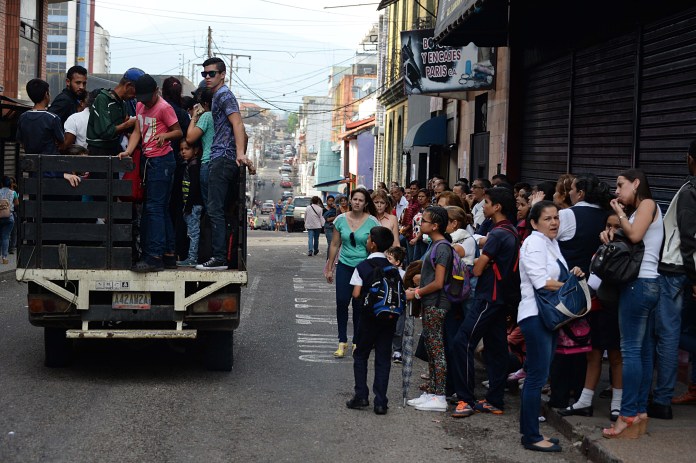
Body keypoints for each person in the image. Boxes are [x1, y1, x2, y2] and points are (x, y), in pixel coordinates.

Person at [518, 200, 584, 452]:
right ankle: (531, 436)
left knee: (538, 375)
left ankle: (530, 432)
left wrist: (572, 274)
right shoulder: (534, 242)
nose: (554, 222)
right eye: (547, 218)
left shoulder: (550, 243)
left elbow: (556, 278)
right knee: (536, 376)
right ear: (534, 223)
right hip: (535, 316)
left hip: (547, 318)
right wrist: (572, 285)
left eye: (556, 217)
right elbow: (540, 281)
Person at [601, 168, 662, 439]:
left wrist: (621, 214)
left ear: (636, 183)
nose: (617, 191)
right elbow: (634, 241)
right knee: (644, 351)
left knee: (631, 351)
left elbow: (635, 237)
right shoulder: (640, 210)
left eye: (620, 185)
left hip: (640, 285)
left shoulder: (647, 204)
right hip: (645, 285)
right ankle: (638, 413)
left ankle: (626, 416)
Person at [451, 187, 519, 418]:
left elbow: (478, 268)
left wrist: (482, 262)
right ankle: (494, 400)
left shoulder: (498, 234)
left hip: (489, 296)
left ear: (497, 207)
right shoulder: (510, 230)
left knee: (463, 342)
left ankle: (465, 399)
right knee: (497, 348)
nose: (484, 206)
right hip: (500, 297)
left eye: (487, 202)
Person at [560, 213, 623, 420]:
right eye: (608, 225)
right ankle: (585, 401)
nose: (611, 230)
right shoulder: (600, 250)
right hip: (597, 309)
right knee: (593, 354)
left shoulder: (624, 250)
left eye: (616, 226)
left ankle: (617, 403)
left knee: (615, 357)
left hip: (614, 309)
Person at [650, 139, 696, 419]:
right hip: (687, 273)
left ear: (691, 158)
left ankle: (662, 399)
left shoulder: (691, 191)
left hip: (679, 271)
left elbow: (689, 238)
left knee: (667, 334)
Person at [119, 74, 183, 272]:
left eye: (148, 98)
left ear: (156, 91)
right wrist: (128, 151)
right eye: (142, 99)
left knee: (153, 209)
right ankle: (169, 254)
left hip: (162, 161)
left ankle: (154, 257)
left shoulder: (164, 108)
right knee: (159, 208)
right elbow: (137, 131)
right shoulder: (139, 106)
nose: (145, 102)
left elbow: (178, 131)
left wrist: (165, 135)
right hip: (149, 160)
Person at [195, 57, 248, 271]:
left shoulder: (224, 95)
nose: (207, 77)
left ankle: (219, 258)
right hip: (221, 157)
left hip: (223, 157)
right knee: (216, 209)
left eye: (212, 73)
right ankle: (219, 256)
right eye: (204, 74)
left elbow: (237, 123)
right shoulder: (218, 95)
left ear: (222, 75)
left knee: (215, 209)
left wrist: (240, 153)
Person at [346, 226, 405, 415]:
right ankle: (381, 402)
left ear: (373, 244)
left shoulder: (362, 266)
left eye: (369, 238)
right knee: (382, 357)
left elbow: (356, 294)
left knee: (361, 354)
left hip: (368, 318)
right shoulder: (393, 269)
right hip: (388, 318)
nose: (366, 240)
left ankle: (361, 396)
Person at [404, 206, 453, 412]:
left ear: (435, 226)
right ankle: (432, 392)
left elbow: (439, 282)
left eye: (424, 220)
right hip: (430, 303)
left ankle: (439, 396)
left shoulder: (441, 247)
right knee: (433, 350)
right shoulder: (435, 245)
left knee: (436, 350)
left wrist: (416, 293)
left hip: (436, 305)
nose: (420, 223)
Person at [324, 188, 379, 357]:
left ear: (366, 203)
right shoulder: (340, 219)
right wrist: (329, 267)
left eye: (361, 200)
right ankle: (342, 341)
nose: (357, 202)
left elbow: (376, 247)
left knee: (358, 305)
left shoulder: (372, 222)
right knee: (341, 301)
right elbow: (334, 244)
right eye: (354, 199)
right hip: (344, 265)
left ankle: (357, 341)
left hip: (363, 269)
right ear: (350, 200)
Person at [16, 79, 80, 187]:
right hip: (52, 171)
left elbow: (20, 140)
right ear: (46, 94)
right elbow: (61, 142)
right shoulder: (52, 118)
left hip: (33, 170)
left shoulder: (23, 117)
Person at [87, 68, 143, 157]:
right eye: (136, 92)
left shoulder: (123, 103)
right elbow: (106, 132)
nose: (135, 96)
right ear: (127, 86)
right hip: (99, 152)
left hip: (114, 149)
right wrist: (127, 124)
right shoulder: (103, 99)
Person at [177, 139, 203, 267]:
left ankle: (192, 258)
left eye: (186, 149)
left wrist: (188, 206)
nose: (183, 152)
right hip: (191, 205)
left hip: (193, 206)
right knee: (192, 232)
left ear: (196, 150)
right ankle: (191, 257)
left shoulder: (194, 165)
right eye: (181, 149)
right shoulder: (190, 164)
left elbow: (194, 187)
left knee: (193, 233)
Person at [186, 88, 214, 205]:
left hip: (208, 162)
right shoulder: (223, 115)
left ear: (205, 104)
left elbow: (189, 138)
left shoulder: (207, 116)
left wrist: (194, 117)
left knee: (209, 206)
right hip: (220, 163)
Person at [408, 189, 431, 261]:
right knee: (415, 260)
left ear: (427, 198)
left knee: (421, 261)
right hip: (418, 239)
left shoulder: (430, 209)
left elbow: (424, 225)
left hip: (425, 239)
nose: (420, 198)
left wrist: (416, 238)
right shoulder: (421, 209)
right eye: (419, 196)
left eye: (422, 196)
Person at [0, 176, 18, 264]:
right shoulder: (13, 193)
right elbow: (17, 203)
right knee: (6, 237)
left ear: (2, 183)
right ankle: (4, 258)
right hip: (9, 216)